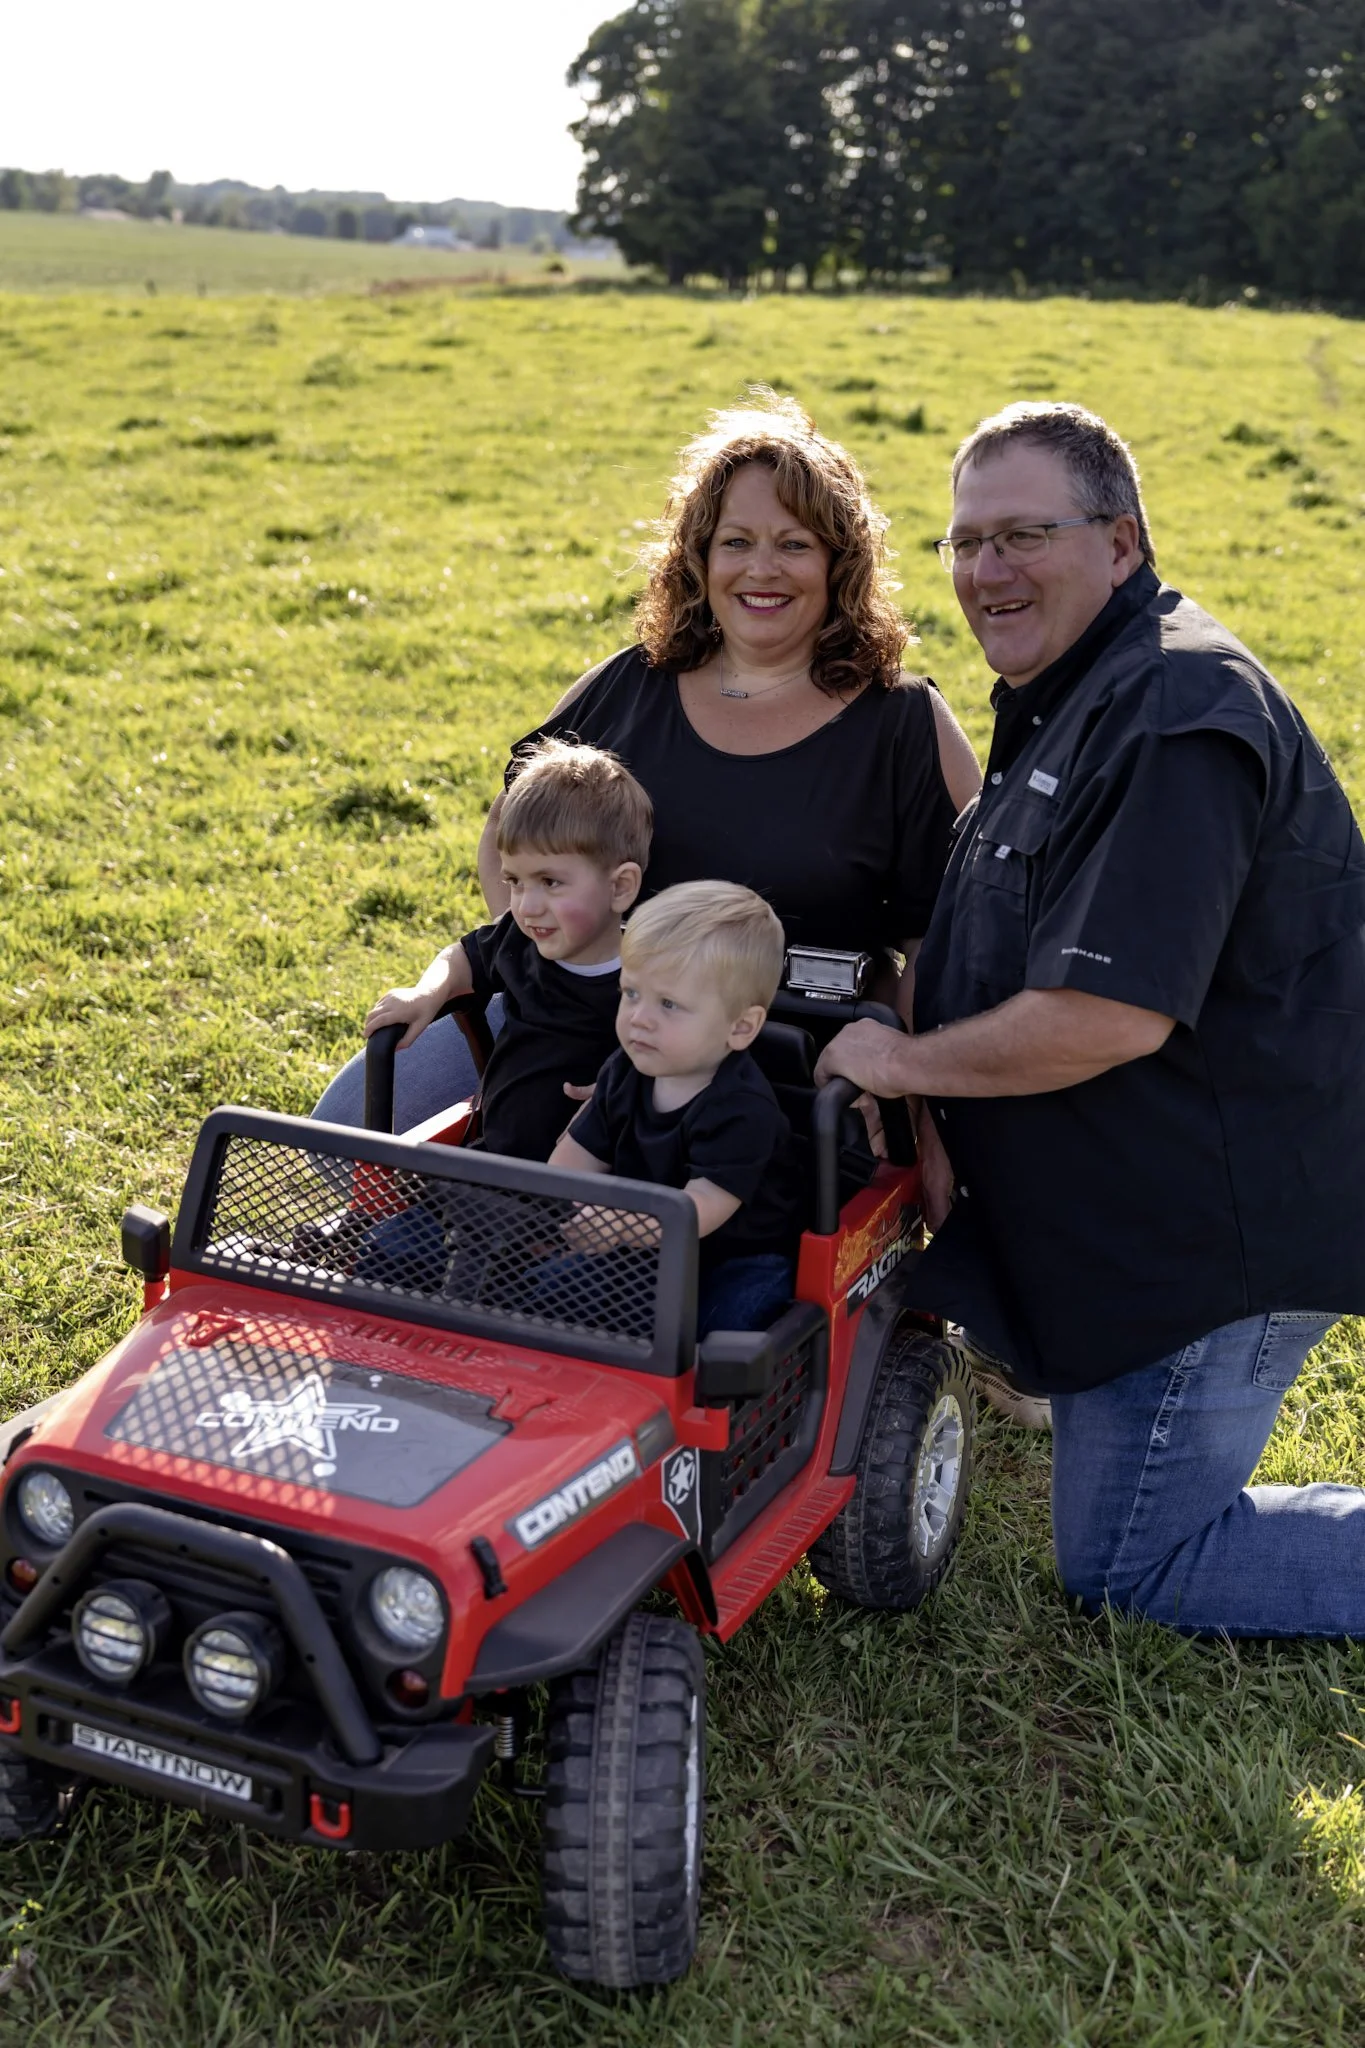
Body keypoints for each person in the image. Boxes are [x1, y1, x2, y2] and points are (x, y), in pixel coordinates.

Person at [814, 399, 1365, 1638]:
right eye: (963, 542)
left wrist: (903, 1058)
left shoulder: (1173, 713)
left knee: (1134, 1561)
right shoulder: (1076, 685)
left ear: (1122, 541)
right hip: (1150, 1198)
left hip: (1215, 1241)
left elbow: (1105, 1015)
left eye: (1022, 535)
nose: (984, 571)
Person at [314, 389, 980, 1132]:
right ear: (697, 558)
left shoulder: (903, 724)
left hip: (775, 1072)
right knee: (342, 1126)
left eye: (794, 544)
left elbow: (950, 942)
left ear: (839, 562)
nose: (762, 570)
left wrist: (899, 1081)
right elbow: (507, 840)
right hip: (578, 1032)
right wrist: (555, 985)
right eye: (735, 542)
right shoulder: (625, 688)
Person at [362, 739, 650, 1160]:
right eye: (515, 882)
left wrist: (633, 1087)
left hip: (602, 1190)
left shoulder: (656, 977)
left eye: (550, 882)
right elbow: (461, 956)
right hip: (495, 1165)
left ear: (620, 886)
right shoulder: (519, 939)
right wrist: (427, 993)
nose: (527, 906)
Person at [548, 881, 803, 1338]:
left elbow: (699, 1209)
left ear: (741, 1027)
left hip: (736, 1257)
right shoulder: (626, 1068)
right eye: (631, 993)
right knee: (546, 1290)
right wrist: (565, 1208)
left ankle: (720, 1405)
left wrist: (615, 1224)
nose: (639, 1018)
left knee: (726, 1328)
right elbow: (577, 1155)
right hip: (641, 1242)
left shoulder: (742, 1109)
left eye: (668, 1004)